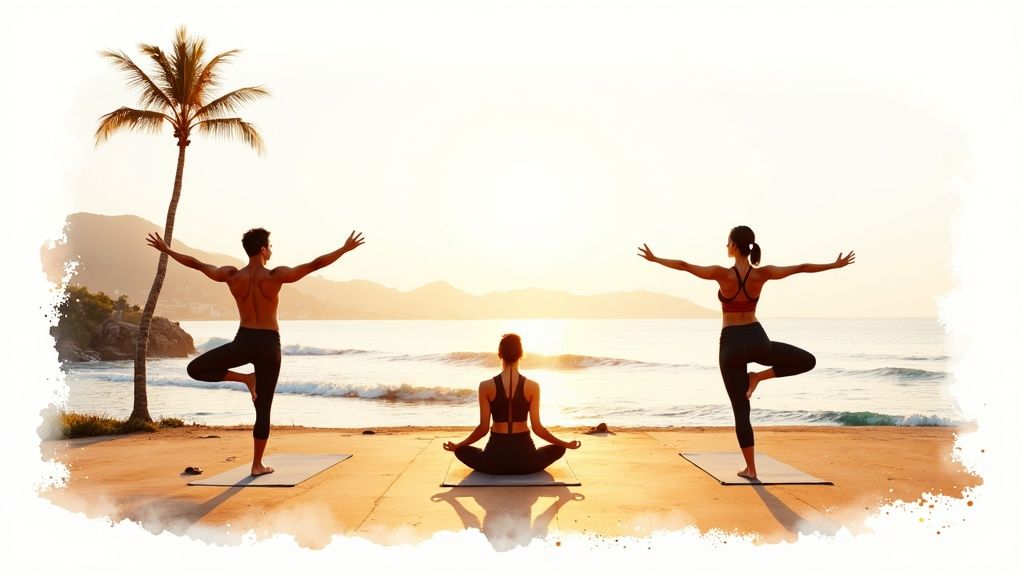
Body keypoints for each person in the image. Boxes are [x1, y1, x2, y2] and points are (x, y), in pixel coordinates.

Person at [638, 226, 854, 481]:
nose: (725, 246)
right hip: (757, 340)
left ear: (735, 246)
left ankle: (751, 469)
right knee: (807, 360)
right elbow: (801, 267)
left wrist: (655, 259)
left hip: (731, 345)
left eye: (727, 242)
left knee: (741, 411)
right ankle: (759, 377)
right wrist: (834, 265)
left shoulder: (721, 274)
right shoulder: (762, 274)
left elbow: (685, 265)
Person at [146, 228, 365, 476]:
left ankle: (246, 380)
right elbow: (314, 265)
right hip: (269, 345)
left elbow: (196, 264)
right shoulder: (275, 276)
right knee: (263, 408)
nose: (271, 250)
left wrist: (167, 250)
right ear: (263, 249)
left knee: (194, 369)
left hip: (244, 341)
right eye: (270, 246)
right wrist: (344, 249)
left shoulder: (232, 275)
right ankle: (256, 464)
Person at [443, 333, 581, 474]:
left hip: (494, 462)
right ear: (521, 354)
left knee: (461, 451)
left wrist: (458, 446)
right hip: (527, 462)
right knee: (559, 448)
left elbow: (483, 429)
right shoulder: (533, 386)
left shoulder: (485, 386)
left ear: (499, 354)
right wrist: (565, 444)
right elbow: (538, 428)